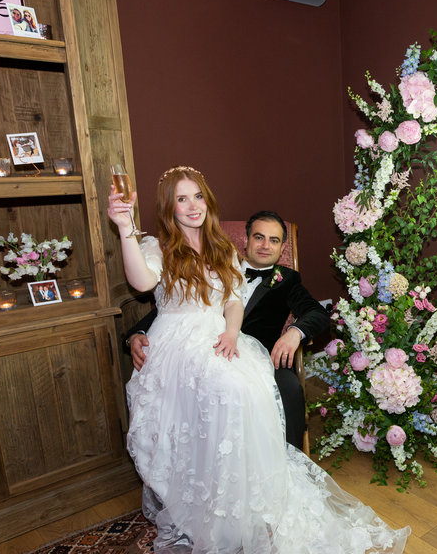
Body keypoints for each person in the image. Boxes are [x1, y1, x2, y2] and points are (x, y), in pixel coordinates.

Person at [107, 165, 408, 553]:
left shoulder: (236, 256)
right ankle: (210, 501)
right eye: (182, 198)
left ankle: (247, 501)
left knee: (244, 395)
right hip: (178, 348)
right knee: (227, 395)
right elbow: (146, 286)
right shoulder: (158, 248)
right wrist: (125, 230)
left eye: (198, 196)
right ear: (247, 239)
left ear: (283, 246)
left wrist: (275, 332)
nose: (192, 205)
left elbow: (243, 302)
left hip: (227, 341)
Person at [126, 209, 328, 448]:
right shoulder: (214, 264)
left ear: (282, 248)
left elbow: (317, 313)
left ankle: (287, 462)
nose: (265, 245)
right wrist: (137, 334)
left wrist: (294, 333)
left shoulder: (287, 280)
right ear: (246, 240)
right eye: (259, 237)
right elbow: (176, 308)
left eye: (274, 240)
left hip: (260, 357)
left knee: (289, 388)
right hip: (202, 354)